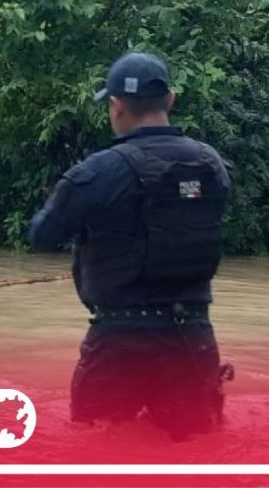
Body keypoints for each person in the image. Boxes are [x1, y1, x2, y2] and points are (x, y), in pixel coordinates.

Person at [29, 52, 233, 441]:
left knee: (96, 454)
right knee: (194, 458)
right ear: (170, 100)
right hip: (192, 337)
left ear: (116, 105)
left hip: (119, 343)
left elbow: (42, 236)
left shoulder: (98, 171)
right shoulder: (213, 166)